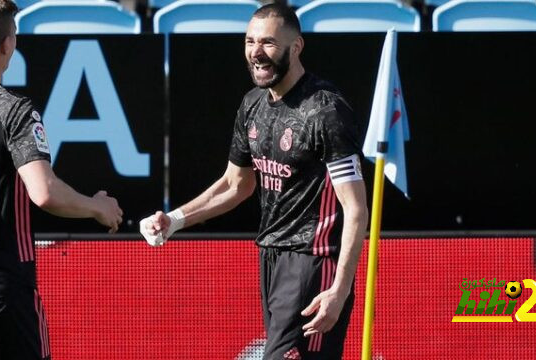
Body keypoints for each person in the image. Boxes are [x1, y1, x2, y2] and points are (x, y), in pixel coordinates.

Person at [140, 4, 368, 359]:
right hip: (270, 257)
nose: (256, 53)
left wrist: (339, 288)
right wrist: (174, 220)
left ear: (296, 47)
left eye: (268, 43)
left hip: (313, 261)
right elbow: (236, 184)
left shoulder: (325, 110)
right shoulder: (252, 104)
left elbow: (355, 209)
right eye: (250, 42)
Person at [0, 0, 124, 358]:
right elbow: (44, 192)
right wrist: (98, 208)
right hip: (2, 290)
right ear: (7, 44)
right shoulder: (12, 110)